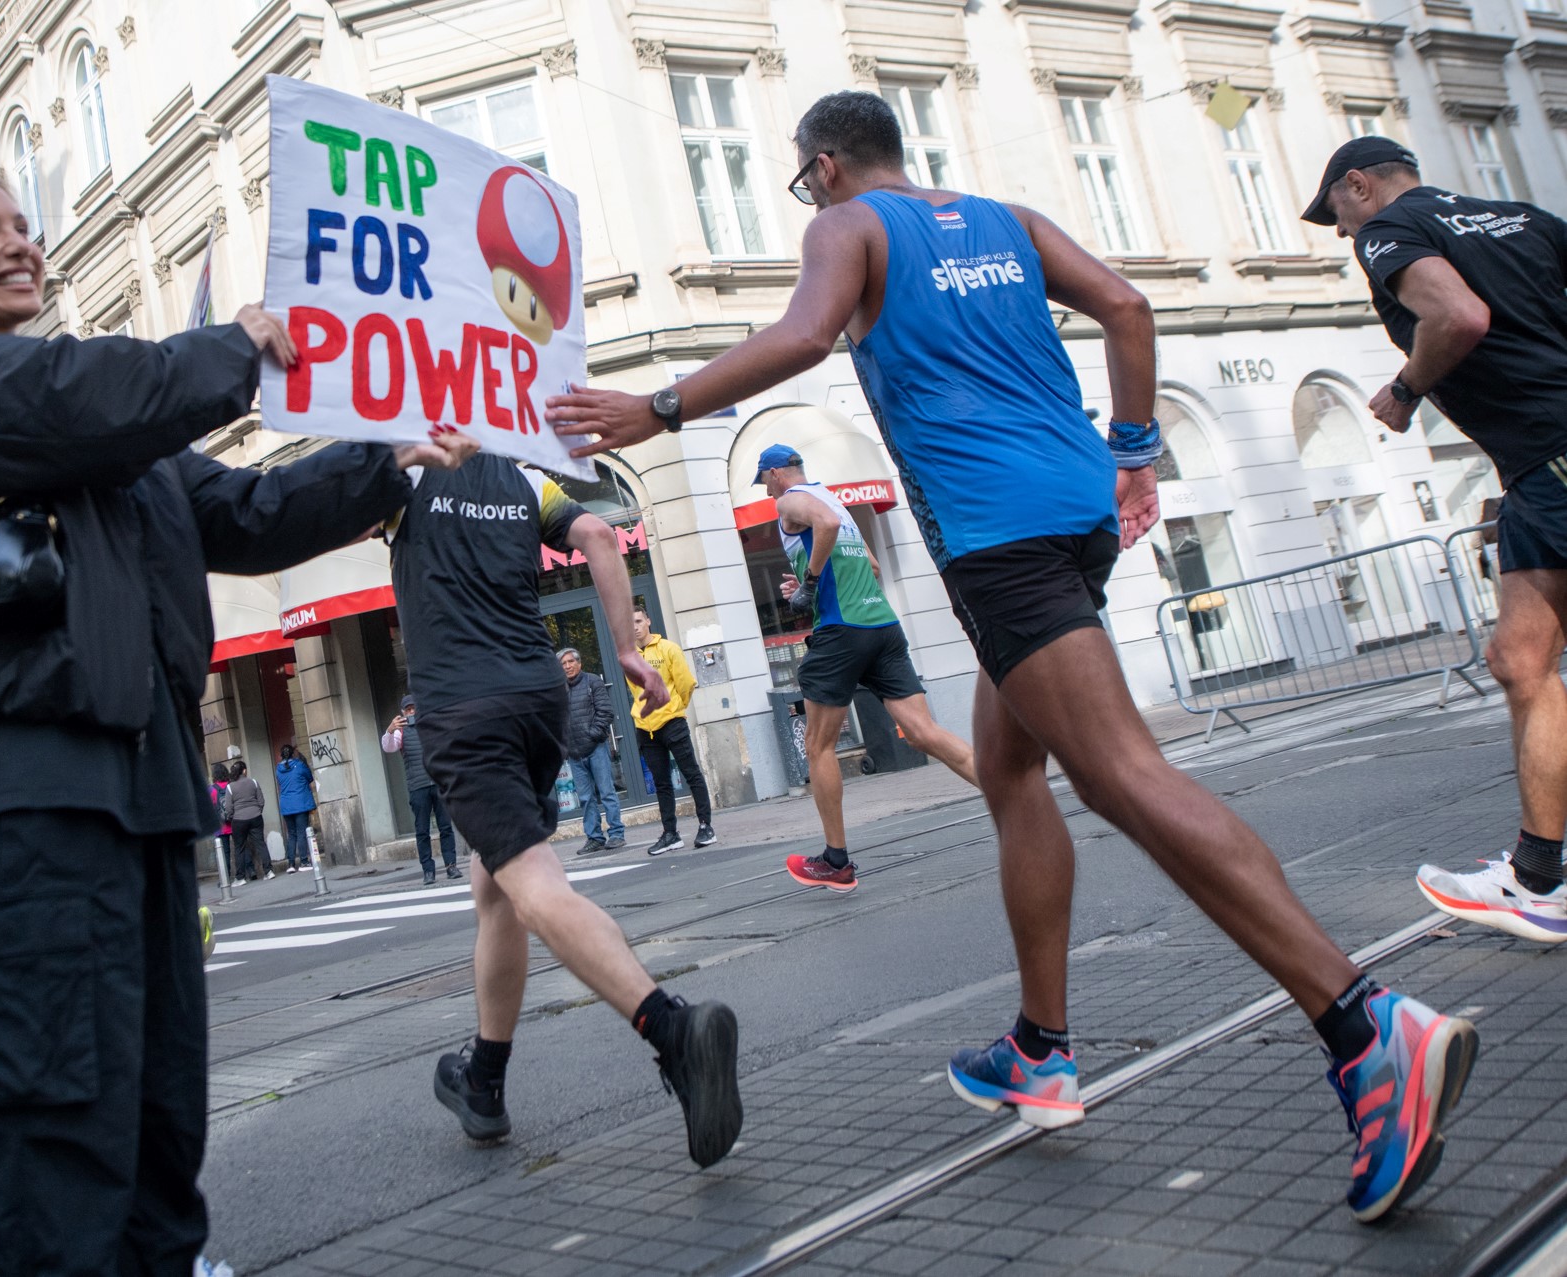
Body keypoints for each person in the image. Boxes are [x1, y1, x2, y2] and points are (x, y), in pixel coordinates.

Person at [548, 91, 1475, 1222]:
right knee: (1009, 766)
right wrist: (1134, 447)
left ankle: (1364, 1024)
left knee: (1120, 774)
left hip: (998, 537)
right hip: (1074, 509)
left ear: (825, 165)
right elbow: (1127, 306)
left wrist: (658, 406)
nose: (807, 195)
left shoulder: (847, 226)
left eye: (802, 179)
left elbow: (801, 335)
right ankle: (1039, 1046)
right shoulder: (1007, 218)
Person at [0, 163, 473, 1275]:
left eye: (24, 226)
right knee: (31, 1163)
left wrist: (385, 458)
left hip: (141, 803)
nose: (19, 244)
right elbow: (75, 398)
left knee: (152, 1135)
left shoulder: (112, 443)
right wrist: (237, 348)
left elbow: (248, 509)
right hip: (13, 807)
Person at [385, 454, 742, 1168]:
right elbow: (601, 538)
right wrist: (627, 650)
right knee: (496, 886)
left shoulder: (405, 469)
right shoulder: (522, 478)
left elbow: (329, 506)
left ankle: (673, 1031)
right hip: (535, 698)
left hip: (463, 708)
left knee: (532, 882)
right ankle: (485, 1080)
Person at [1298, 138, 1567, 946]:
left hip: (1553, 456)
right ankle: (1538, 878)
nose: (1343, 235)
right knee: (1519, 659)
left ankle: (1539, 880)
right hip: (1536, 470)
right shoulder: (1521, 217)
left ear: (1359, 186)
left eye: (1338, 216)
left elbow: (1459, 316)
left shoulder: (1392, 231)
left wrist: (1407, 387)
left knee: (1525, 661)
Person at [754, 445, 979, 889]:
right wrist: (813, 582)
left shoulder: (791, 501)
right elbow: (872, 566)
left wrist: (810, 585)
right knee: (923, 732)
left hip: (841, 631)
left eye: (764, 482)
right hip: (883, 625)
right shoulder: (834, 498)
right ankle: (1014, 799)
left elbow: (825, 525)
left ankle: (836, 861)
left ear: (776, 473)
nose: (766, 493)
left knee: (818, 746)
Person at [627, 610, 716, 855]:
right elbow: (636, 691)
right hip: (646, 728)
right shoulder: (629, 657)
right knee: (661, 783)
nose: (634, 627)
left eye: (638, 621)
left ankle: (706, 826)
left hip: (672, 722)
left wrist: (676, 707)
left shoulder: (668, 648)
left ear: (648, 621)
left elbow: (685, 684)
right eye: (630, 623)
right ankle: (670, 834)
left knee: (691, 774)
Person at [382, 696, 460, 883]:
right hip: (418, 787)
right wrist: (389, 730)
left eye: (413, 708)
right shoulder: (400, 732)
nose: (411, 712)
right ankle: (428, 871)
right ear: (403, 712)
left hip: (438, 783)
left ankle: (451, 866)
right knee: (422, 830)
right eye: (407, 709)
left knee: (445, 827)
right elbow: (388, 747)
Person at [560, 648, 626, 855]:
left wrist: (593, 735)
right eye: (563, 664)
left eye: (571, 661)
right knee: (586, 798)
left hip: (595, 748)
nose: (568, 666)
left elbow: (606, 712)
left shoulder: (592, 681)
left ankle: (616, 834)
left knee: (607, 793)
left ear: (579, 663)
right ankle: (594, 838)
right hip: (574, 753)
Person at [224, 761, 271, 884]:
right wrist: (258, 811)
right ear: (244, 770)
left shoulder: (230, 787)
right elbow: (261, 801)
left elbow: (228, 807)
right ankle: (268, 871)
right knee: (260, 844)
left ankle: (240, 878)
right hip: (256, 817)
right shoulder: (253, 782)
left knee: (239, 848)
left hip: (239, 820)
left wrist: (233, 817)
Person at [276, 744, 316, 871]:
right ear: (292, 753)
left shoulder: (278, 769)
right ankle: (304, 861)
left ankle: (291, 864)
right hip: (300, 803)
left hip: (286, 805)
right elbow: (310, 778)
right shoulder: (299, 765)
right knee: (301, 832)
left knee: (291, 834)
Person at [209, 761, 235, 884]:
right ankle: (248, 872)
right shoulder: (231, 785)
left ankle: (226, 878)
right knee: (241, 847)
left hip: (221, 826)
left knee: (224, 853)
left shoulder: (211, 790)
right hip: (234, 821)